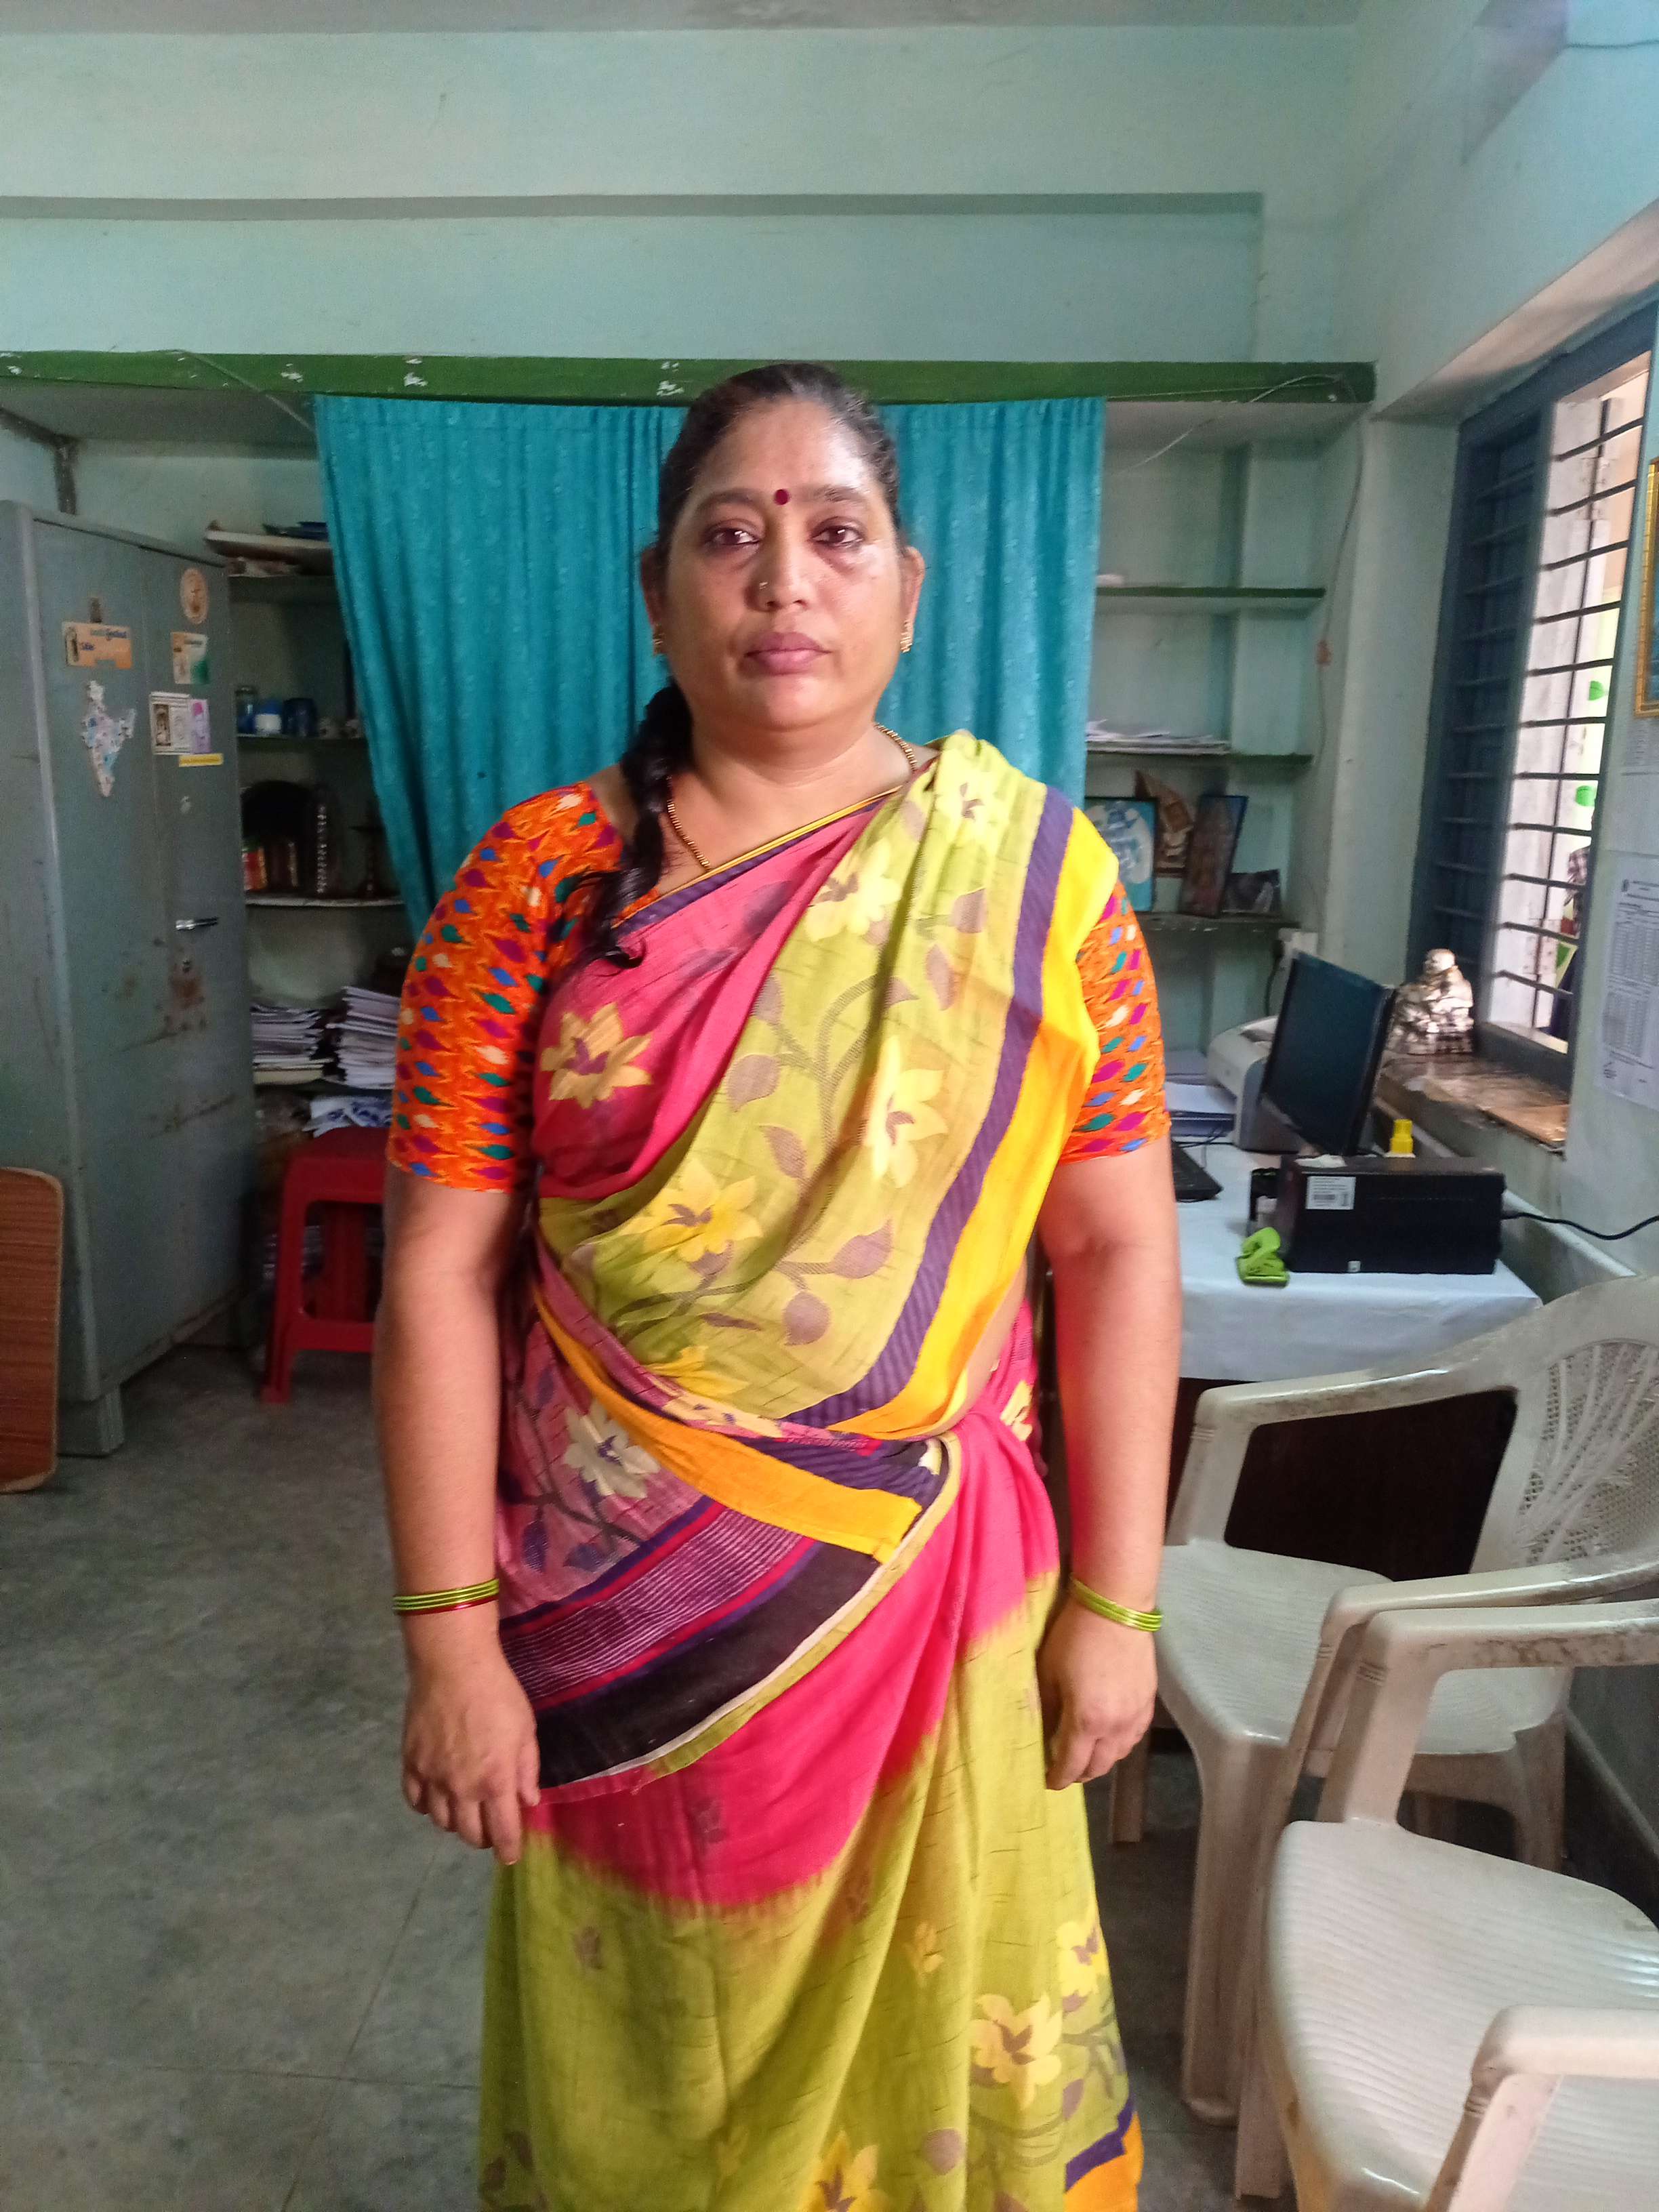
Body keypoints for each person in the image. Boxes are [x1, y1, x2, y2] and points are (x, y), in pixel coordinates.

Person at [375, 362, 1181, 2212]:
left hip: (936, 1606)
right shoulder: (532, 887)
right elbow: (437, 1272)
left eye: (836, 535)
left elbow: (1115, 1245)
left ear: (908, 588)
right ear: (658, 591)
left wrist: (1119, 1604)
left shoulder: (1042, 882)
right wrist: (449, 1641)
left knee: (937, 2059)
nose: (783, 581)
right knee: (662, 2074)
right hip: (623, 1621)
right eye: (730, 536)